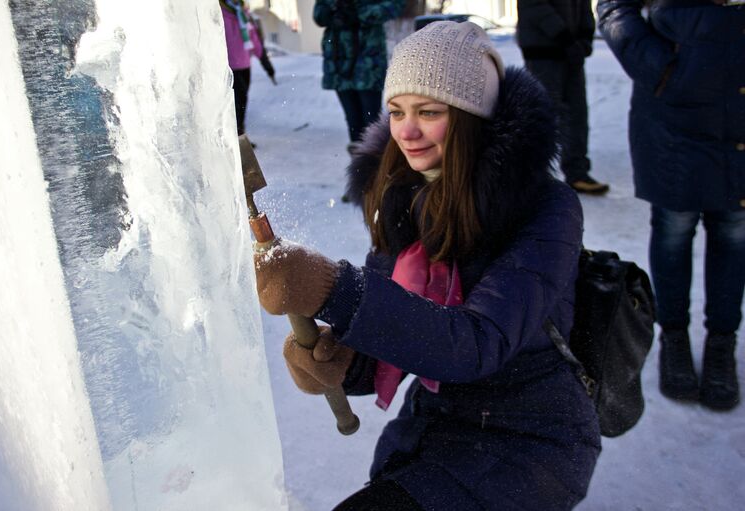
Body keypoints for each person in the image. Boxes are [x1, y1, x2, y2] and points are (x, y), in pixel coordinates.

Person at [254, 21, 601, 510]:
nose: (407, 131)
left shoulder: (547, 208)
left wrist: (332, 288)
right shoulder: (403, 197)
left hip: (531, 435)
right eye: (396, 112)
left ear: (471, 116)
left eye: (429, 112)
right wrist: (339, 363)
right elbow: (396, 329)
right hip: (435, 423)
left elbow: (477, 342)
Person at [598, 0, 744, 411]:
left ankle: (722, 343)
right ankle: (673, 337)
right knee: (674, 228)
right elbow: (613, 5)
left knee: (734, 229)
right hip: (674, 116)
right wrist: (657, 67)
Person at [516, 0, 610, 195]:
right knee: (543, 115)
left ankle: (578, 173)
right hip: (543, 51)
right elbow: (534, 6)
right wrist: (564, 37)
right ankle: (534, 177)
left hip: (573, 53)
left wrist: (585, 38)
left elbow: (585, 8)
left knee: (577, 113)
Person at [313, 0, 405, 151]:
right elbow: (319, 14)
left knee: (372, 121)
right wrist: (334, 14)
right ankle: (361, 168)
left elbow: (396, 5)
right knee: (353, 121)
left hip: (368, 62)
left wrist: (360, 13)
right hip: (339, 61)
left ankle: (378, 165)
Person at [220, 0, 275, 136]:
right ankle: (235, 138)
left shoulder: (242, 12)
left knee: (242, 102)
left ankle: (240, 136)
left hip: (245, 65)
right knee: (235, 104)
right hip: (229, 67)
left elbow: (254, 39)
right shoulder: (220, 12)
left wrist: (266, 64)